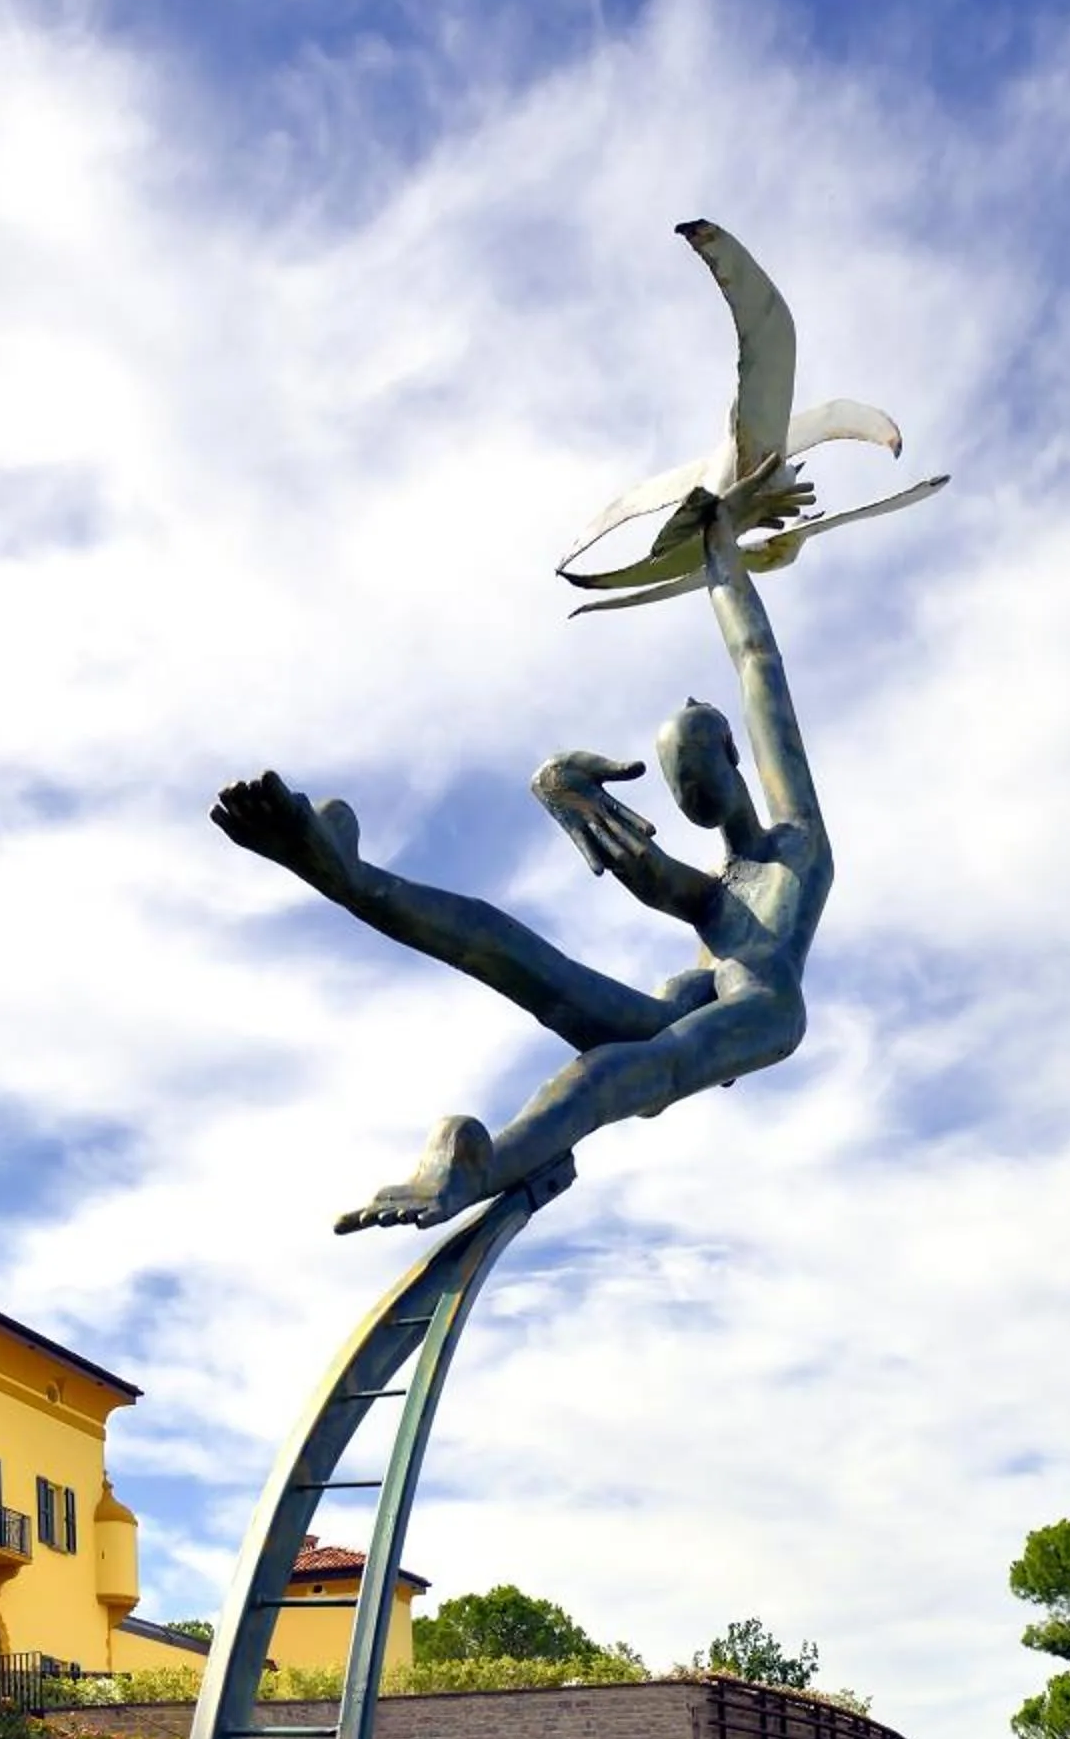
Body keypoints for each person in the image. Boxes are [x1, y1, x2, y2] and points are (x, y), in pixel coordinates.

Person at [212, 486, 830, 1231]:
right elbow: (649, 875)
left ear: (733, 752)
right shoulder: (715, 895)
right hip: (688, 1010)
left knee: (623, 1071)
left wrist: (721, 549)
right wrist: (567, 793)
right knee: (513, 951)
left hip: (764, 1010)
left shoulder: (797, 842)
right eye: (677, 782)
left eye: (696, 771)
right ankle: (348, 879)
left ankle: (485, 1165)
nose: (688, 793)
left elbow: (757, 664)